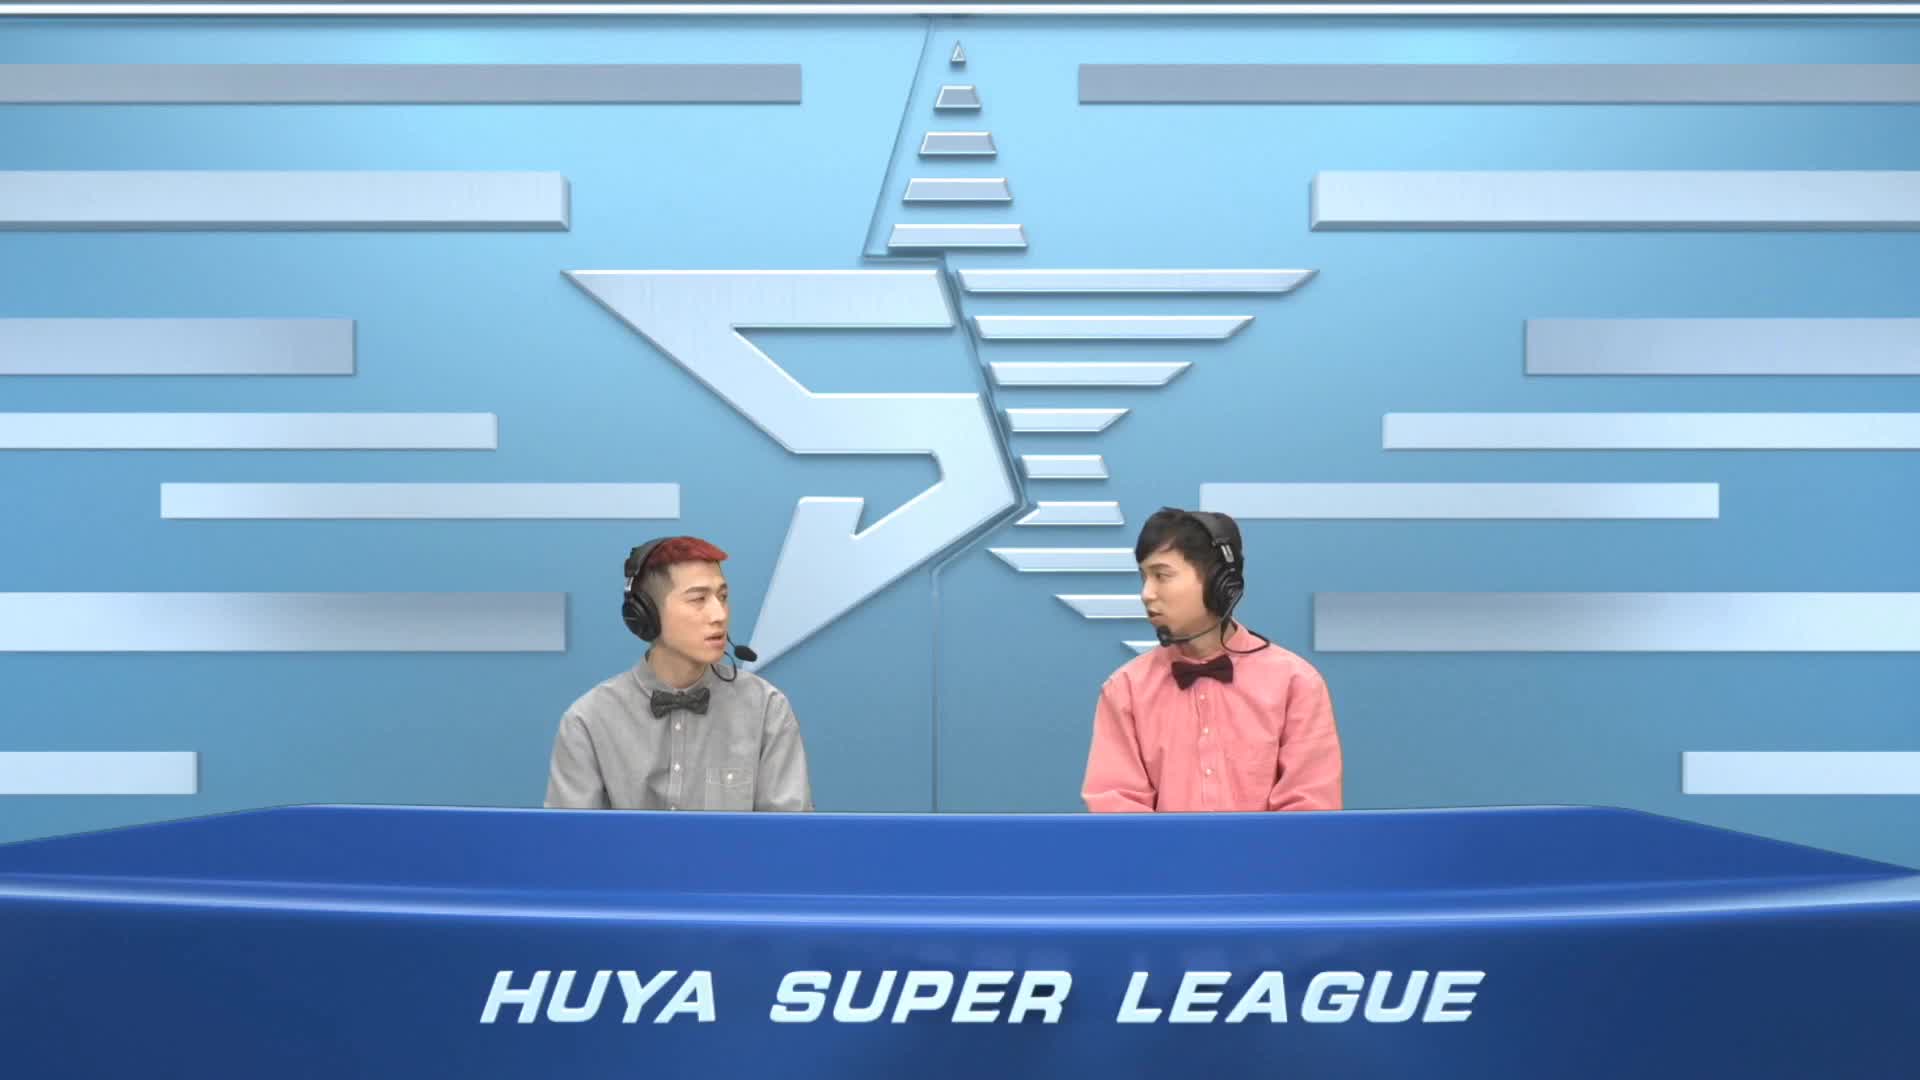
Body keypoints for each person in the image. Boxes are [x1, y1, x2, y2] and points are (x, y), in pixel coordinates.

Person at [1082, 508, 1341, 813]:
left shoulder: (1296, 683)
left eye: (1161, 576)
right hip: (1160, 848)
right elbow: (1118, 808)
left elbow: (1308, 810)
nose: (1146, 594)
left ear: (1220, 582)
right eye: (1143, 577)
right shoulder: (1124, 690)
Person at [545, 536, 812, 811]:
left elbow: (788, 833)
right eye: (698, 599)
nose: (719, 615)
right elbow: (572, 836)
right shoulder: (588, 721)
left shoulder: (766, 710)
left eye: (722, 597)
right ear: (646, 614)